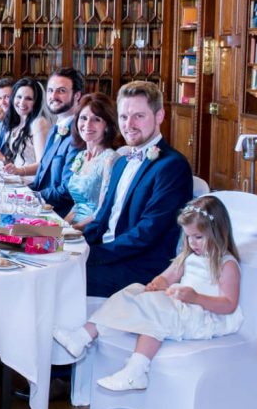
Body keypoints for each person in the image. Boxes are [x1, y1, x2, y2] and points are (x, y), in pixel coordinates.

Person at [54, 196, 241, 391]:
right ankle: (82, 336)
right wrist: (156, 284)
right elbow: (167, 278)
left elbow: (229, 304)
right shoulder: (189, 256)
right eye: (188, 237)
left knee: (157, 312)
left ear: (218, 232)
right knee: (133, 290)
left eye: (198, 237)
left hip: (205, 317)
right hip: (182, 307)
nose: (192, 243)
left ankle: (136, 370)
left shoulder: (226, 264)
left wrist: (196, 298)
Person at [83, 80, 194, 298]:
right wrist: (72, 243)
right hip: (108, 256)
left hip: (139, 268)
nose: (129, 124)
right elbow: (101, 219)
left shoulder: (172, 166)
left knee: (58, 280)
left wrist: (91, 255)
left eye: (139, 116)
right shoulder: (122, 161)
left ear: (159, 116)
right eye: (124, 117)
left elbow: (147, 233)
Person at [28, 68, 85, 217]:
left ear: (77, 95)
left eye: (61, 91)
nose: (53, 96)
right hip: (39, 208)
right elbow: (41, 176)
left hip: (58, 215)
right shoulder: (55, 129)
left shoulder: (79, 135)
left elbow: (67, 190)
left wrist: (32, 197)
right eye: (50, 90)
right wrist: (21, 191)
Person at [64, 93, 120, 230]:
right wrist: (60, 225)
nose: (87, 124)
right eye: (83, 118)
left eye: (96, 119)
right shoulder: (81, 156)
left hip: (92, 230)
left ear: (107, 126)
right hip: (73, 228)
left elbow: (102, 211)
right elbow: (77, 205)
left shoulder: (110, 160)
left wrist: (71, 231)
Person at [0, 78, 50, 184]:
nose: (22, 102)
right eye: (19, 97)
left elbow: (43, 164)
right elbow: (19, 160)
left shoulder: (39, 123)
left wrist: (19, 171)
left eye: (28, 98)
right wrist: (5, 160)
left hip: (30, 184)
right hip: (16, 179)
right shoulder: (17, 121)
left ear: (36, 102)